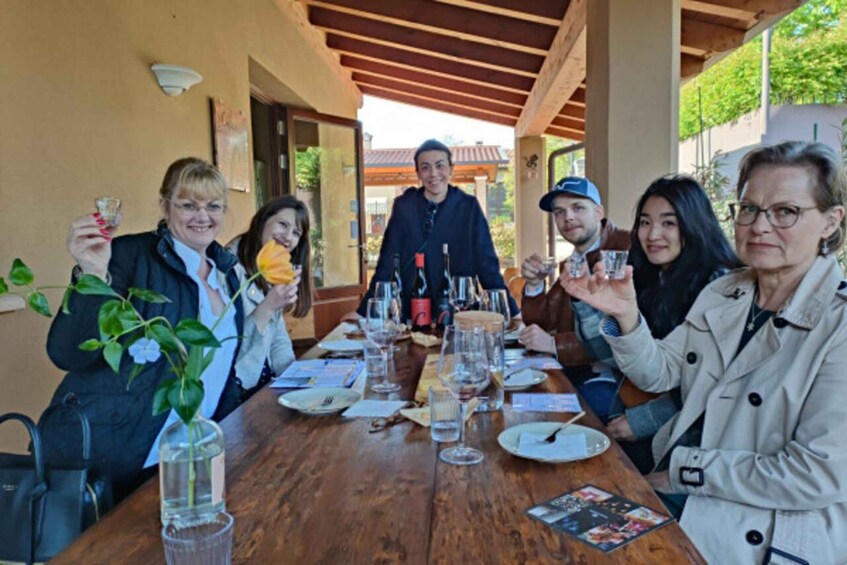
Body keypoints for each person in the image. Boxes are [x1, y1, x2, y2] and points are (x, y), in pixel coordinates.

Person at [563, 141, 847, 563]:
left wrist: (684, 471)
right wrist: (626, 315)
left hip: (763, 526)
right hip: (683, 487)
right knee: (560, 518)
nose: (759, 226)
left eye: (785, 211)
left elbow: (815, 474)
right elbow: (659, 373)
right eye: (749, 209)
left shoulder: (838, 323)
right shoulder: (725, 292)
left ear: (830, 221)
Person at [45, 157, 244, 504]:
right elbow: (68, 352)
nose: (202, 216)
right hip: (117, 460)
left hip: (185, 455)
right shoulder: (129, 256)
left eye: (213, 206)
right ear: (165, 205)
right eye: (188, 205)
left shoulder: (226, 274)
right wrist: (92, 273)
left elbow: (220, 367)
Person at [588, 176, 740, 473]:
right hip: (633, 400)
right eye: (645, 222)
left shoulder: (720, 287)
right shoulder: (649, 276)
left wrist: (644, 420)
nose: (652, 234)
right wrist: (586, 300)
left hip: (687, 443)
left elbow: (709, 384)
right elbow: (612, 354)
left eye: (668, 223)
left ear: (695, 224)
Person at [354, 139, 518, 320]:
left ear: (451, 169)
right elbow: (386, 263)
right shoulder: (404, 206)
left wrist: (513, 313)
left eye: (440, 166)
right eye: (425, 167)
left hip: (458, 310)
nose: (433, 173)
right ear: (418, 173)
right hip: (412, 309)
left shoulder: (468, 206)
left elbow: (487, 264)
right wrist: (362, 313)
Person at [519, 176, 630, 420]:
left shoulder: (625, 249)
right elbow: (543, 322)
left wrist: (554, 345)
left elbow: (619, 332)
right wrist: (534, 285)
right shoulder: (574, 260)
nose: (567, 217)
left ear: (599, 212)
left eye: (578, 207)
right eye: (559, 212)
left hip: (620, 380)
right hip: (575, 368)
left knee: (539, 410)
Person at [227, 196, 312, 401]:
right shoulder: (228, 268)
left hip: (265, 385)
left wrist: (298, 382)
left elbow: (278, 339)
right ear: (263, 220)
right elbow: (230, 349)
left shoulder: (269, 266)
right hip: (236, 393)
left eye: (296, 233)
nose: (288, 237)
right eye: (282, 224)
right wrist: (268, 306)